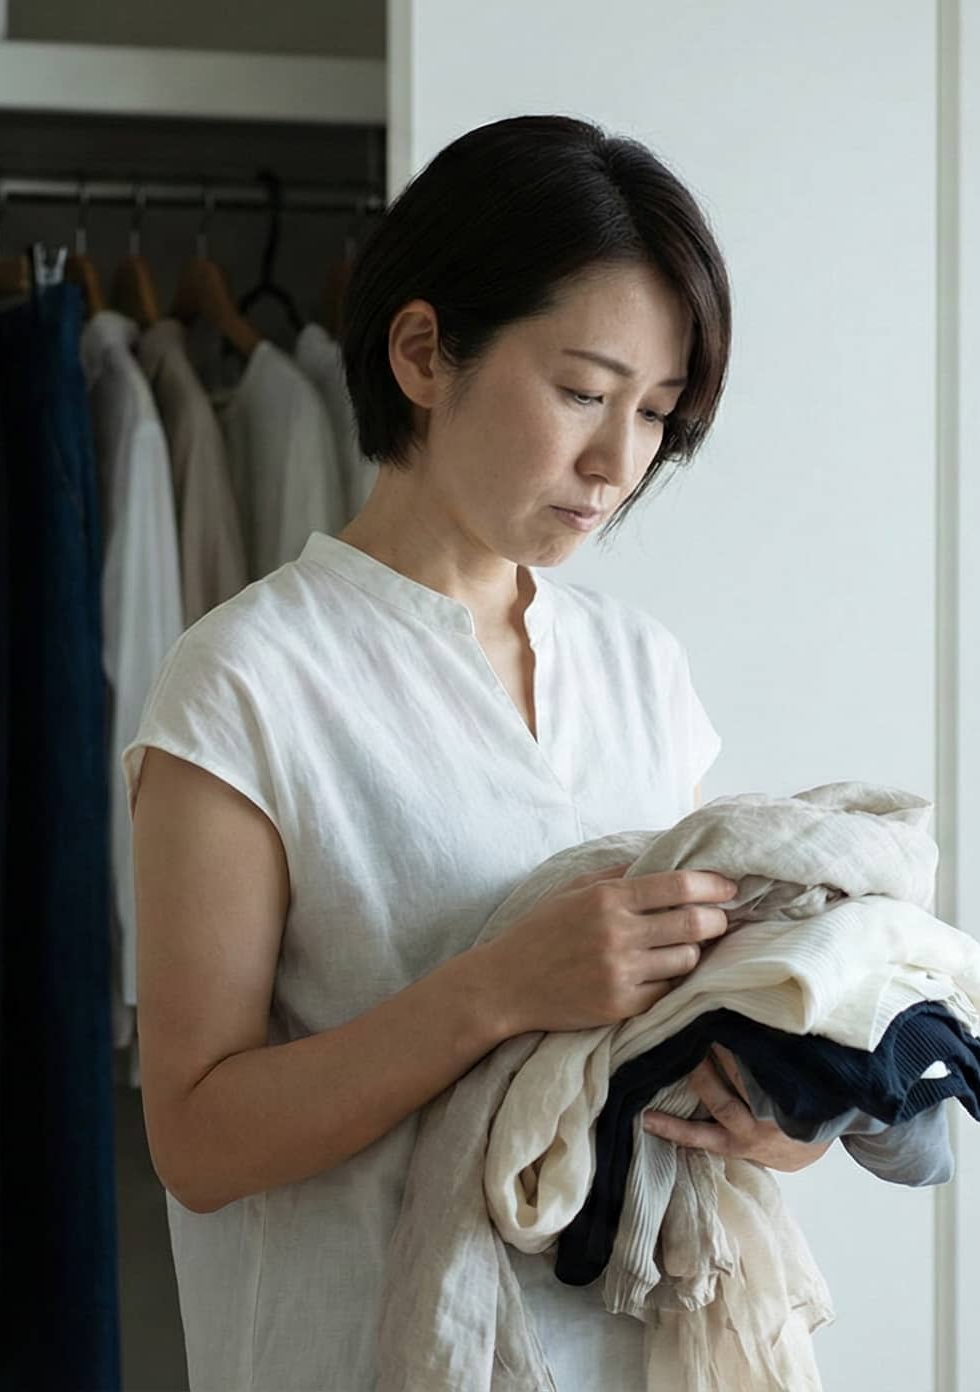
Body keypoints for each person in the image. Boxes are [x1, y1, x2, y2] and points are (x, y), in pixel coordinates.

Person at [123, 114, 832, 1392]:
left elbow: (679, 1032)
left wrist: (777, 1116)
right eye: (582, 393)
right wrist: (496, 990)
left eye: (654, 413)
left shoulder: (640, 670)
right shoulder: (246, 681)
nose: (615, 463)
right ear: (421, 351)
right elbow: (195, 1139)